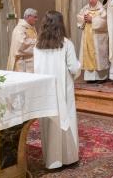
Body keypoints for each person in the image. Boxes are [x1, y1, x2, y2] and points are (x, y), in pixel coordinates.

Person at [34, 11, 81, 169]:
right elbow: (74, 68)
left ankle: (52, 160)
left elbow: (37, 68)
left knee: (49, 122)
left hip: (45, 89)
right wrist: (79, 68)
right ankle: (68, 157)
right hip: (63, 88)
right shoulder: (66, 44)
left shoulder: (38, 45)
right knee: (65, 118)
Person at [77, 0, 109, 82]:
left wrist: (93, 20)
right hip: (87, 36)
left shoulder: (102, 9)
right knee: (88, 54)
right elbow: (79, 17)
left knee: (99, 56)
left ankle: (101, 77)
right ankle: (90, 77)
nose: (90, 1)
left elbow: (105, 22)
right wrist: (84, 19)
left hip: (99, 37)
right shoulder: (85, 8)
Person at [7, 8, 38, 72]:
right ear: (28, 16)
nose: (36, 19)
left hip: (30, 63)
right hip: (22, 65)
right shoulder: (20, 29)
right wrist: (38, 43)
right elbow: (22, 44)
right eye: (35, 17)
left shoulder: (30, 28)